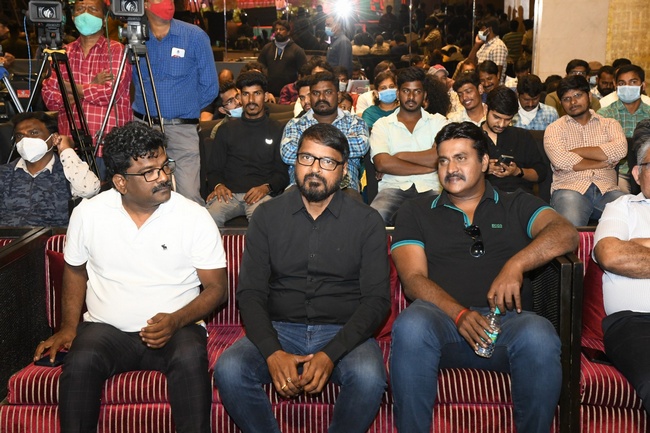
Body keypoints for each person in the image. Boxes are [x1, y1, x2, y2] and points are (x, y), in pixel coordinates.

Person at [33, 121, 228, 433]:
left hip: (178, 328)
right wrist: (68, 327)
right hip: (106, 330)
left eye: (164, 166)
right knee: (81, 360)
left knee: (191, 357)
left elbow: (217, 288)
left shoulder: (193, 216)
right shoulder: (89, 213)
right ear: (121, 182)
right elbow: (75, 269)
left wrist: (176, 320)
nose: (163, 177)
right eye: (149, 172)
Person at [389, 121, 578, 433]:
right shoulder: (416, 211)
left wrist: (516, 264)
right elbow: (413, 279)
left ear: (485, 162)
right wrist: (459, 314)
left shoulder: (517, 203)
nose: (451, 168)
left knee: (539, 333)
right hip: (441, 324)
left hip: (507, 326)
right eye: (443, 160)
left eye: (461, 158)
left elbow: (566, 233)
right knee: (411, 324)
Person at [213, 123, 390, 433]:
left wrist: (330, 354)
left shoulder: (367, 221)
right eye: (307, 158)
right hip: (280, 327)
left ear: (343, 170)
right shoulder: (267, 216)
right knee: (229, 368)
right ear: (295, 162)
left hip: (343, 330)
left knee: (369, 377)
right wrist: (272, 351)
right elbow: (250, 294)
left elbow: (376, 301)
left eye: (327, 161)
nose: (315, 169)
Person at [131, 0, 218, 205]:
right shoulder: (135, 36)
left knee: (189, 195)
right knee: (145, 194)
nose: (167, 3)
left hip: (182, 130)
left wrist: (185, 110)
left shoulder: (194, 36)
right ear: (145, 4)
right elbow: (131, 80)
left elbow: (210, 87)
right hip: (144, 127)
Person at [593, 120, 650, 416]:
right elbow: (611, 255)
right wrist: (627, 247)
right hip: (636, 324)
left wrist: (639, 244)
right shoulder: (622, 207)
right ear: (638, 174)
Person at [41, 0, 132, 180]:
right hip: (71, 146)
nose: (86, 13)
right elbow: (51, 99)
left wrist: (69, 87)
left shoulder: (117, 51)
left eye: (93, 9)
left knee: (109, 195)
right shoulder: (62, 53)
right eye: (80, 9)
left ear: (104, 18)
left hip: (108, 144)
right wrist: (92, 83)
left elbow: (109, 93)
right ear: (73, 16)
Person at [205, 72, 289, 227]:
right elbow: (213, 170)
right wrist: (218, 185)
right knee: (206, 220)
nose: (251, 100)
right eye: (246, 94)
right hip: (228, 195)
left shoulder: (278, 129)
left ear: (265, 96)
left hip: (261, 195)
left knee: (264, 224)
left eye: (256, 93)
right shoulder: (225, 130)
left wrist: (266, 187)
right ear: (240, 98)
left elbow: (282, 173)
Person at [544, 75, 627, 226]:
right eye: (566, 99)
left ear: (589, 96)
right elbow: (561, 160)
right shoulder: (554, 129)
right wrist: (601, 162)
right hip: (569, 189)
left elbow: (620, 150)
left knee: (632, 215)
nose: (573, 102)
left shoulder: (610, 124)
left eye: (578, 95)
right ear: (561, 103)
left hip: (607, 190)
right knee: (570, 229)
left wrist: (576, 151)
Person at [369, 67, 448, 225]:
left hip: (431, 188)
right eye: (406, 91)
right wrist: (429, 167)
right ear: (398, 93)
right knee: (373, 221)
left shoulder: (439, 122)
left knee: (444, 221)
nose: (411, 97)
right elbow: (382, 163)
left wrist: (399, 156)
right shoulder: (382, 125)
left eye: (417, 91)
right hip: (392, 188)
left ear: (424, 95)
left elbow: (440, 156)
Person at [0, 112, 100, 226]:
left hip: (55, 236)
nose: (25, 140)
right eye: (20, 136)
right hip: (9, 236)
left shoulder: (69, 171)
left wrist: (66, 149)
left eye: (33, 133)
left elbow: (88, 190)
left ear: (54, 138)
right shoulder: (4, 173)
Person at [282, 71, 369, 195]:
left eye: (328, 92)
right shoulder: (295, 124)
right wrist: (338, 147)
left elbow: (361, 146)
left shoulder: (355, 122)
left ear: (338, 95)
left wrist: (308, 151)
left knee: (352, 202)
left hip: (344, 185)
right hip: (301, 185)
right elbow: (287, 154)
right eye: (316, 93)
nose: (321, 98)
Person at [482, 86, 546, 194]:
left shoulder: (522, 136)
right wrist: (482, 170)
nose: (501, 124)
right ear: (485, 109)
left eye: (508, 119)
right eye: (496, 117)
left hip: (521, 196)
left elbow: (540, 174)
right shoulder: (472, 138)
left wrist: (518, 171)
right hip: (486, 198)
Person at [258, 20, 307, 98]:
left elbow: (304, 73)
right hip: (269, 93)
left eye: (281, 29)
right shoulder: (267, 48)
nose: (278, 32)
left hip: (290, 94)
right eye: (276, 29)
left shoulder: (297, 50)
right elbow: (259, 68)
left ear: (288, 32)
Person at [466, 18, 508, 85]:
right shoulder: (484, 45)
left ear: (489, 29)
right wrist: (476, 45)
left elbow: (497, 74)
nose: (480, 31)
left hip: (491, 86)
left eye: (482, 29)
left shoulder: (498, 46)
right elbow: (470, 61)